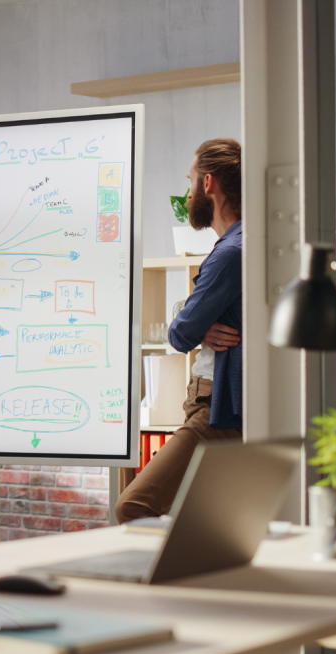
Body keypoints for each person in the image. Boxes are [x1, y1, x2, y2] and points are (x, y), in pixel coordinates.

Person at [115, 138, 244, 523]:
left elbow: (180, 333)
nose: (187, 195)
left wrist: (196, 327)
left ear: (208, 184)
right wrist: (202, 328)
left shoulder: (230, 252)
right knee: (205, 522)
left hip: (217, 408)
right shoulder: (245, 244)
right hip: (215, 401)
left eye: (190, 182)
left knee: (134, 506)